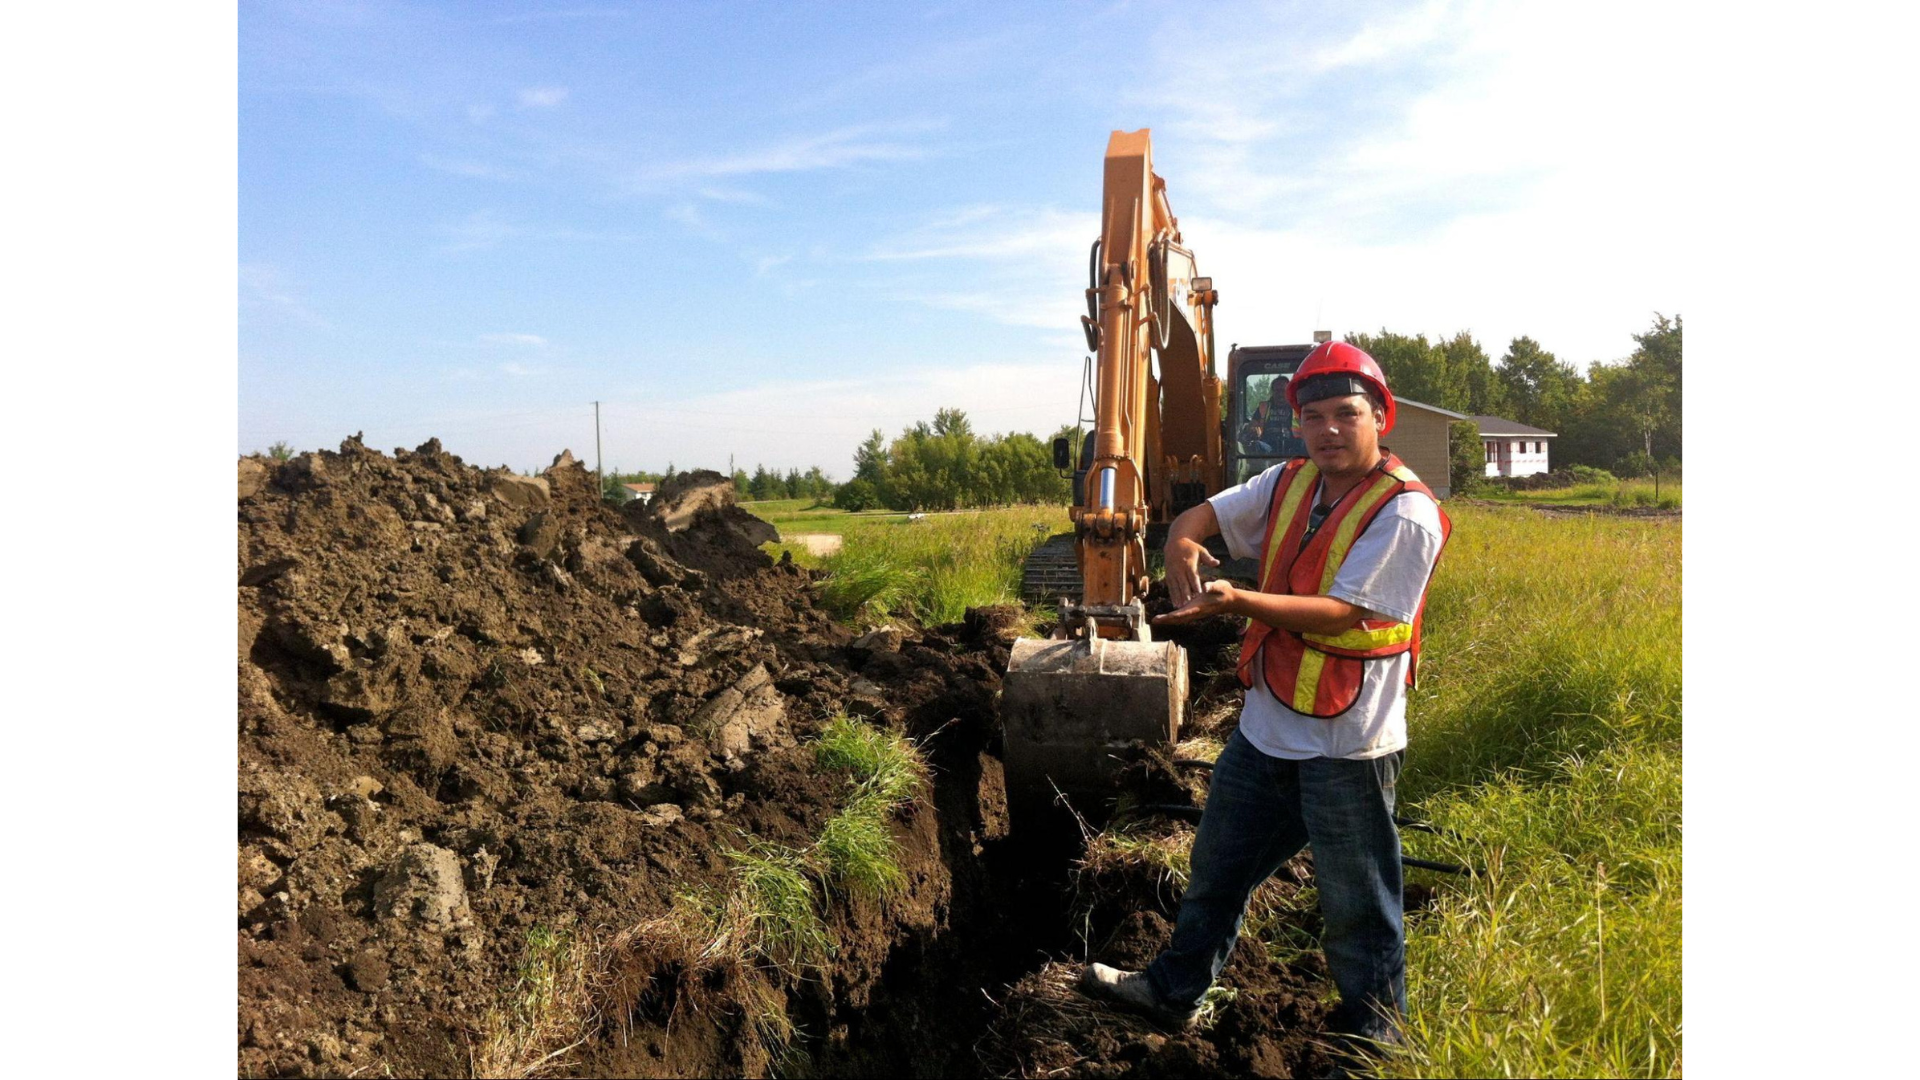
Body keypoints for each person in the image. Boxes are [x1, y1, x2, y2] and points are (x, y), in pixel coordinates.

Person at [1079, 341, 1452, 1060]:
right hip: (1265, 732)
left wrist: (1235, 599)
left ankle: (1375, 1045)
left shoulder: (1406, 514)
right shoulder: (1288, 483)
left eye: (1346, 414)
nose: (1328, 431)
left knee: (1357, 911)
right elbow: (1198, 520)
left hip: (1349, 745)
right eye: (1312, 417)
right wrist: (1181, 549)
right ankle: (1174, 992)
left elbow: (1344, 614)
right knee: (1215, 875)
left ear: (1382, 417)